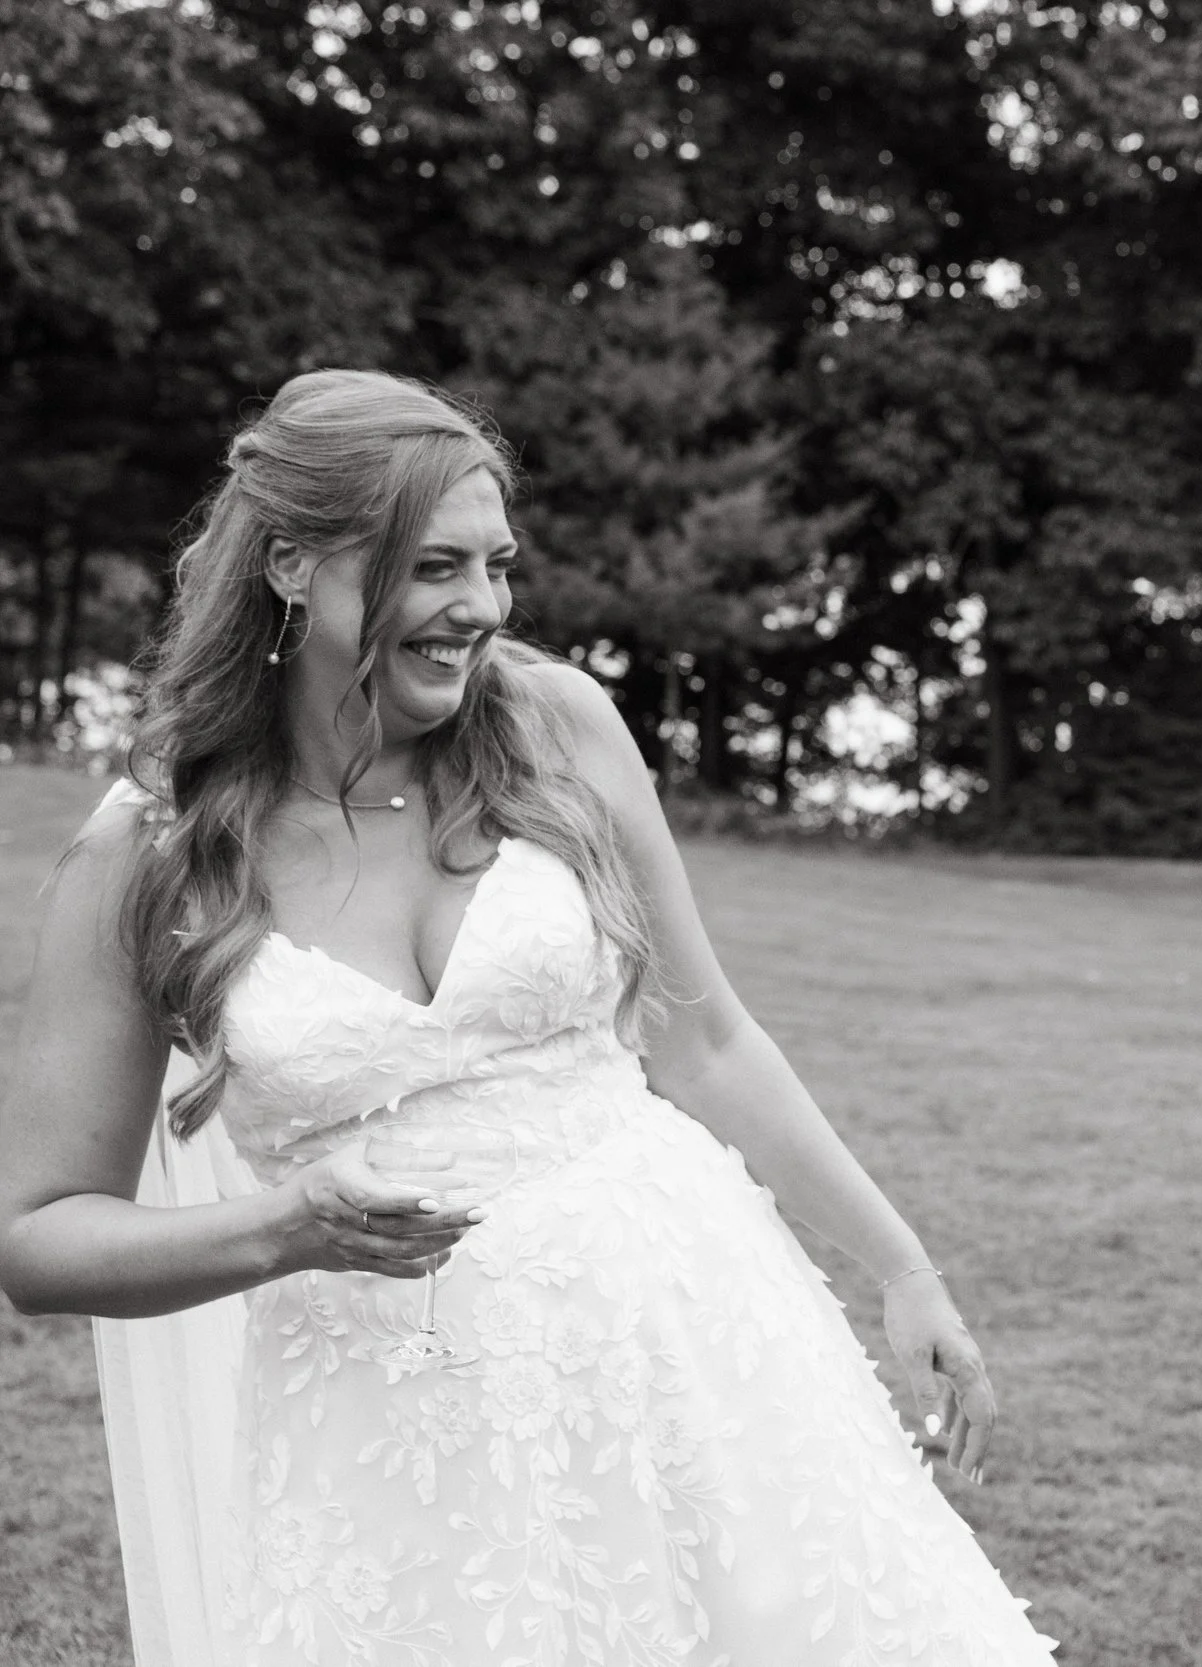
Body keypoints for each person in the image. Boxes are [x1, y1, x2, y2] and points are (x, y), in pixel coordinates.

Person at [0, 370, 1056, 1665]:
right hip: (395, 1413)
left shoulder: (554, 723)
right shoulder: (149, 851)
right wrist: (284, 1228)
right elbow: (41, 1236)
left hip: (685, 1321)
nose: (482, 609)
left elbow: (705, 1033)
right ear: (288, 562)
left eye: (498, 564)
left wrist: (903, 1268)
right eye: (434, 566)